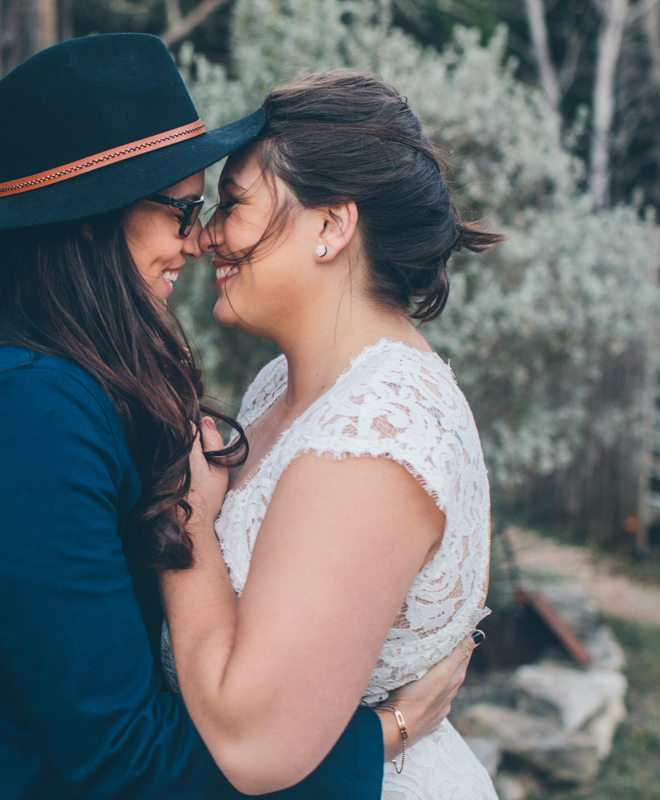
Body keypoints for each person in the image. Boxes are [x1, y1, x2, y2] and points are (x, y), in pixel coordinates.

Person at [0, 36, 480, 800]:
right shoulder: (19, 412)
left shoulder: (59, 372)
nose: (198, 240)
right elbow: (120, 758)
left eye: (217, 208)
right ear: (93, 220)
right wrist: (386, 736)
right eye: (185, 209)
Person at [159, 70, 504, 799]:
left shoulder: (377, 436)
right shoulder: (281, 386)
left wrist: (182, 517)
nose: (208, 236)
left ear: (331, 227)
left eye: (234, 204)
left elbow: (254, 744)